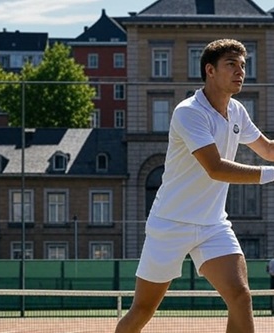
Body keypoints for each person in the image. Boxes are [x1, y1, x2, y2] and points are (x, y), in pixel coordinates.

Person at [115, 38, 274, 333]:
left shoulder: (237, 110)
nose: (240, 71)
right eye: (231, 65)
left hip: (213, 225)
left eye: (243, 65)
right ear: (209, 70)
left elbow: (268, 149)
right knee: (142, 310)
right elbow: (215, 168)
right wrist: (270, 174)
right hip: (169, 225)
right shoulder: (189, 112)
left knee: (240, 296)